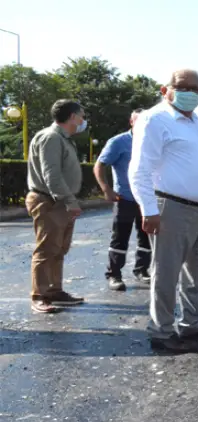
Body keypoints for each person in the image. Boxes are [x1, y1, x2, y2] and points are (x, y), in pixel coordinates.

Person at [128, 69, 198, 353]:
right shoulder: (154, 119)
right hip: (170, 208)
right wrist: (148, 210)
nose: (191, 94)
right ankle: (161, 331)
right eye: (184, 87)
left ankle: (193, 324)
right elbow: (139, 169)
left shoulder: (195, 122)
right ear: (166, 90)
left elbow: (192, 162)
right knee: (166, 273)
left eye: (197, 90)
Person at [25, 99, 89, 313]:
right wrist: (69, 201)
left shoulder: (62, 139)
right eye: (81, 115)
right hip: (49, 202)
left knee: (59, 249)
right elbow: (51, 174)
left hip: (58, 202)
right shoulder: (50, 137)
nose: (82, 120)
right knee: (46, 249)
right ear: (72, 117)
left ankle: (54, 290)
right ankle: (39, 295)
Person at [94, 109, 152, 292]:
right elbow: (100, 165)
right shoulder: (119, 142)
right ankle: (114, 274)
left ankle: (142, 270)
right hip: (125, 198)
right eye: (138, 120)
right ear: (131, 121)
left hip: (147, 199)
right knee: (120, 238)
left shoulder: (152, 142)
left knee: (147, 237)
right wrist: (106, 189)